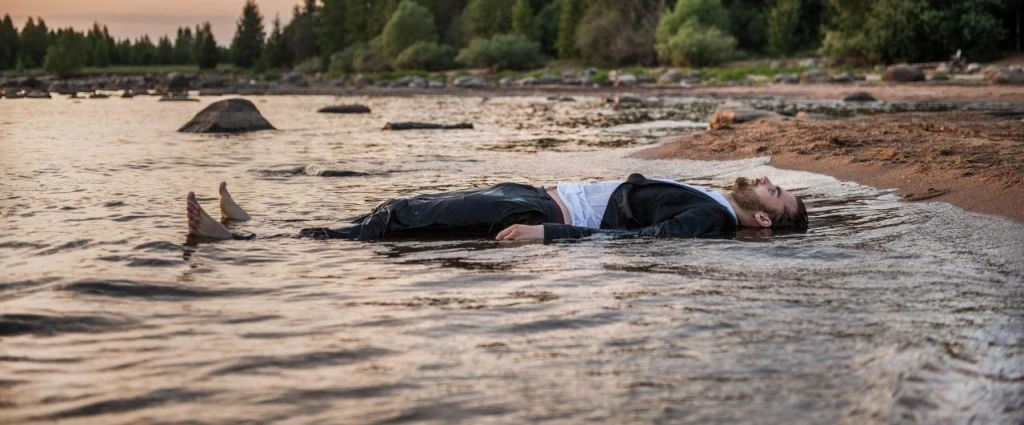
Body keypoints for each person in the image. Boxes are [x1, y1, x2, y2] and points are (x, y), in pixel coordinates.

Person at [187, 174, 808, 242]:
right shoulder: (716, 197)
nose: (765, 182)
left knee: (408, 220)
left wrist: (547, 238)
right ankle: (260, 228)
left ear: (761, 219)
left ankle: (241, 244)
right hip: (541, 194)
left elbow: (637, 241)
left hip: (546, 217)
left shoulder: (712, 220)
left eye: (776, 196)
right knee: (407, 208)